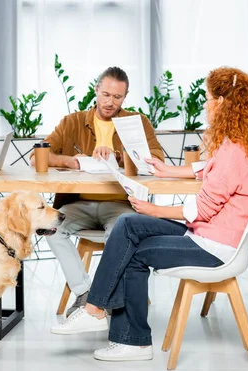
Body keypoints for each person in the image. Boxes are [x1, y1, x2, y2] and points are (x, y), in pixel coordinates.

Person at [50, 67, 248, 362]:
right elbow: (210, 168)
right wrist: (170, 170)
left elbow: (204, 209)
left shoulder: (235, 150)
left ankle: (123, 334)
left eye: (209, 99)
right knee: (129, 224)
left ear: (222, 103)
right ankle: (104, 317)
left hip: (214, 248)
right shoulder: (240, 144)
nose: (206, 105)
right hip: (210, 236)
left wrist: (155, 210)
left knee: (131, 247)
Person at [31, 66, 164, 317]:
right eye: (105, 95)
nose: (110, 102)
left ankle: (107, 296)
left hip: (121, 205)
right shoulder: (72, 122)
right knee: (49, 227)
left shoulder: (136, 123)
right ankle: (84, 292)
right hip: (80, 204)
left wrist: (118, 156)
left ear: (125, 97)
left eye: (117, 97)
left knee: (122, 234)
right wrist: (70, 161)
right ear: (96, 90)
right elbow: (38, 156)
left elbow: (157, 156)